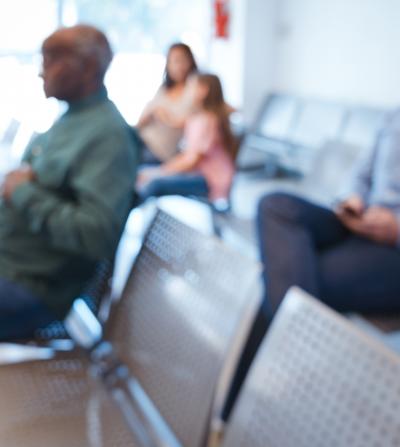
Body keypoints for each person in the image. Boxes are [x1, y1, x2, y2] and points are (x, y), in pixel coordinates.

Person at [0, 24, 140, 340]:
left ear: (88, 67)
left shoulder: (108, 137)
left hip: (31, 287)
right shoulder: (71, 119)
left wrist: (22, 192)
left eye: (50, 61)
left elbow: (96, 234)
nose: (40, 73)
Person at [257, 110, 400, 319]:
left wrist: (396, 230)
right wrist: (351, 198)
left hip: (391, 247)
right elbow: (361, 172)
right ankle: (287, 340)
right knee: (275, 206)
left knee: (289, 276)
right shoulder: (393, 116)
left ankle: (284, 343)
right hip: (361, 222)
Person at [136, 73, 236, 204]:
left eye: (191, 87)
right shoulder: (197, 118)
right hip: (199, 172)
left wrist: (159, 171)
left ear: (204, 91)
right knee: (144, 173)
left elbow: (191, 161)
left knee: (154, 183)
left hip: (209, 179)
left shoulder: (207, 121)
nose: (188, 92)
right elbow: (187, 153)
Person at [137, 42, 198, 163]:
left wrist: (165, 116)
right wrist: (154, 113)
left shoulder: (195, 88)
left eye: (182, 60)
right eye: (173, 61)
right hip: (142, 139)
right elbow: (141, 121)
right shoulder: (163, 89)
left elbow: (216, 106)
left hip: (159, 152)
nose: (178, 66)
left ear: (191, 61)